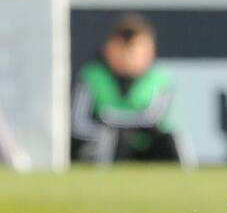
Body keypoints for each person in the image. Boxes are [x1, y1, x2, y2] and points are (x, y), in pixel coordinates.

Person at [72, 14, 192, 166]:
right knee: (112, 139)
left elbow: (153, 120)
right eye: (121, 49)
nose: (127, 57)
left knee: (172, 139)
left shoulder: (159, 80)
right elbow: (78, 124)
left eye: (134, 50)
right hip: (104, 146)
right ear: (107, 49)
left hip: (148, 144)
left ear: (150, 52)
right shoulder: (91, 77)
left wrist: (110, 119)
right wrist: (109, 131)